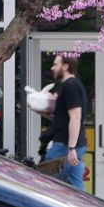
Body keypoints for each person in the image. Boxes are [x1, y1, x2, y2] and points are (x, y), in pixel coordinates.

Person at [40, 54, 88, 190]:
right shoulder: (70, 86)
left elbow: (75, 117)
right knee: (76, 189)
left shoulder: (70, 86)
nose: (52, 68)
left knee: (47, 185)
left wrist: (71, 149)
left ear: (65, 66)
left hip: (64, 146)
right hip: (72, 146)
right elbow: (63, 118)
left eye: (56, 64)